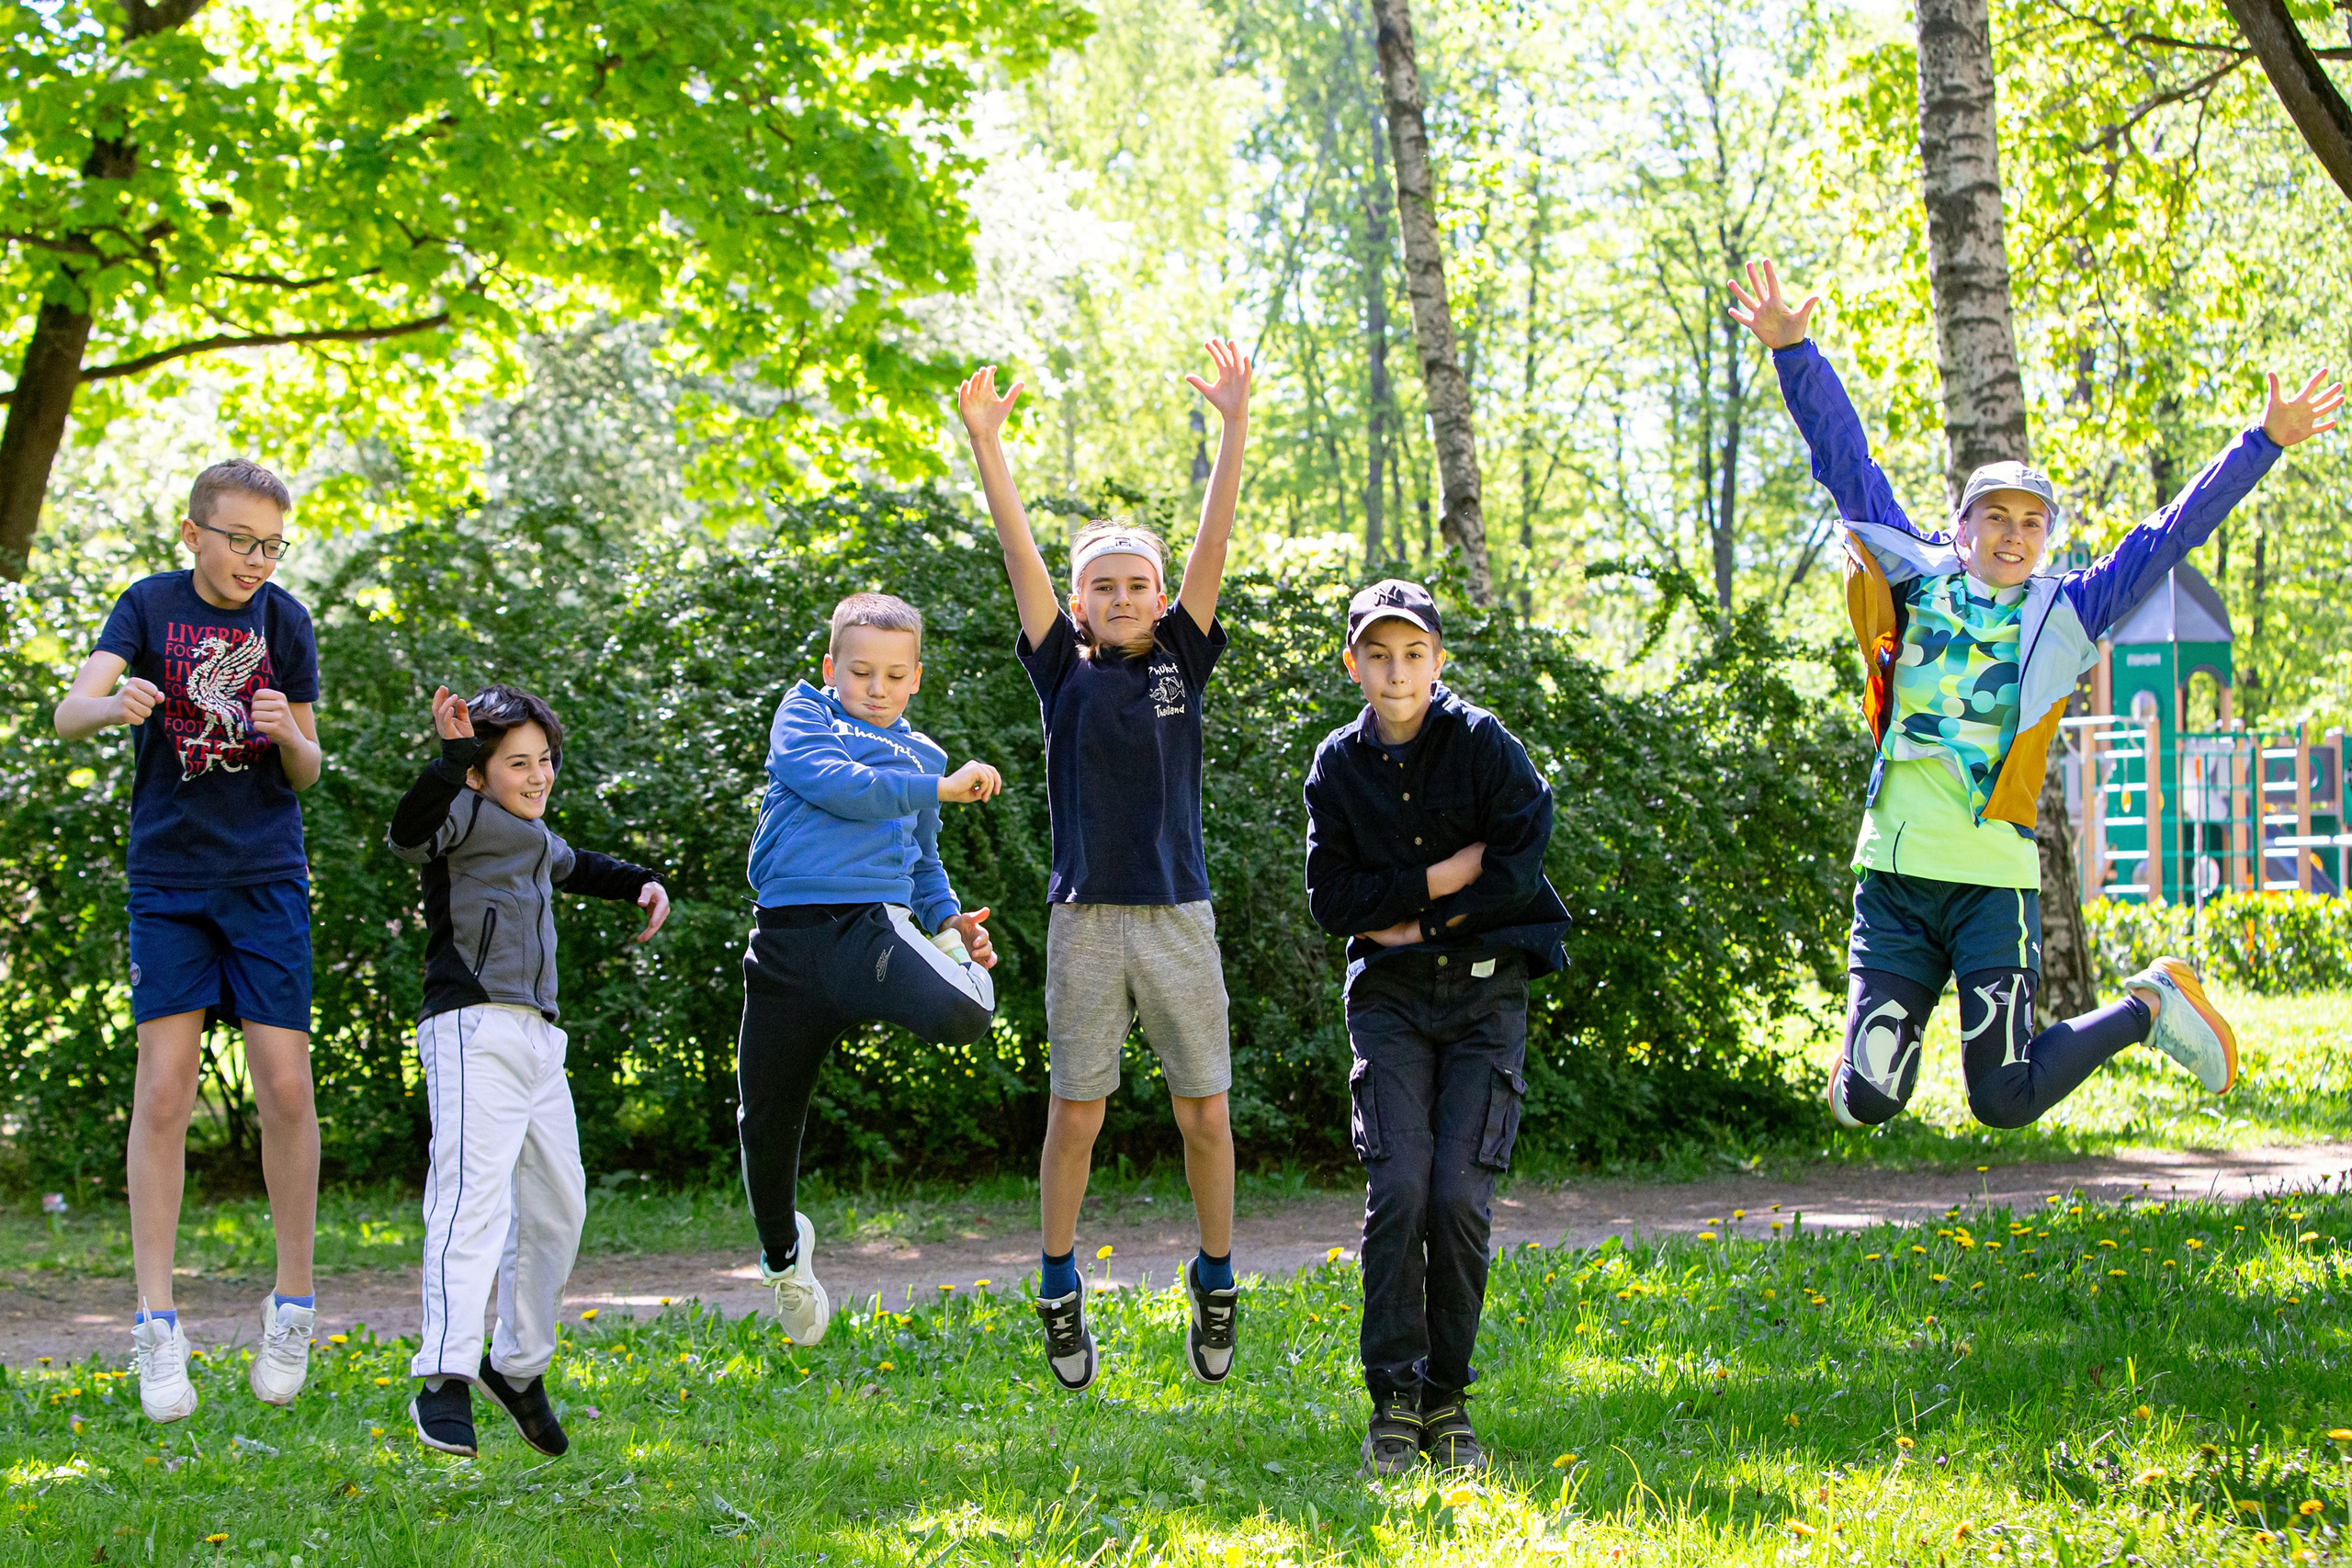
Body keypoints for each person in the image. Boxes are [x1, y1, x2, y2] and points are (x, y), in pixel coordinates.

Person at [1727, 258, 2344, 1132]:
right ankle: (1871, 1060)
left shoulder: (2067, 615)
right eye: (1996, 518)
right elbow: (1844, 459)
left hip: (1991, 883)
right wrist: (1795, 351)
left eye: (2032, 522)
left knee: (2004, 1097)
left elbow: (2166, 539)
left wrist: (2263, 444)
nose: (2013, 536)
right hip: (1896, 878)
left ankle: (2149, 1005)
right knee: (1866, 1101)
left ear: (2045, 536)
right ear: (1964, 525)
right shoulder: (1912, 572)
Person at [956, 340, 1253, 1393]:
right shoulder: (1059, 672)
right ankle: (1055, 1284)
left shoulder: (1183, 655)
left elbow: (1215, 539)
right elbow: (1018, 551)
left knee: (1202, 1112)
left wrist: (1231, 427)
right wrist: (989, 447)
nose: (1121, 597)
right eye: (1102, 587)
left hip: (1177, 917)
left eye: (1138, 584)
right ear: (1078, 606)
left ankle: (1216, 1281)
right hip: (1086, 922)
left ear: (1163, 598)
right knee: (1074, 1113)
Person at [52, 459, 324, 1426]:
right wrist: (112, 703)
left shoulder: (285, 620)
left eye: (271, 545)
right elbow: (69, 708)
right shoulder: (146, 606)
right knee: (163, 1091)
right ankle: (156, 1321)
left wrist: (283, 732)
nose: (256, 560)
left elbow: (308, 769)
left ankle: (291, 1302)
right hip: (168, 879)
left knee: (286, 1087)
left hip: (264, 877)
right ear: (192, 532)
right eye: (241, 540)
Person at [1303, 579, 1571, 1476]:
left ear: (1437, 660)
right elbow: (1332, 901)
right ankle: (1395, 1401)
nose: (1395, 670)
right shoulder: (1336, 767)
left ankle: (1447, 1399)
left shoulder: (1483, 745)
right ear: (1353, 664)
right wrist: (1436, 880)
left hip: (1486, 1000)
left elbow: (1517, 867)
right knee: (1401, 1189)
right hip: (1390, 1004)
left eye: (1412, 652)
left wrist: (1420, 919)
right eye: (1376, 653)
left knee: (1457, 1197)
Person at [387, 683, 669, 1458]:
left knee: (556, 1209)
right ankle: (443, 1375)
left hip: (540, 1038)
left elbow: (580, 865)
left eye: (544, 760)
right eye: (518, 763)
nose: (539, 775)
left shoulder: (534, 835)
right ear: (479, 771)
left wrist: (640, 880)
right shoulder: (460, 815)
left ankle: (514, 1366)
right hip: (472, 1026)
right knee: (470, 1202)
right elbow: (406, 834)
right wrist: (448, 761)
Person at [736, 592, 1002, 1347]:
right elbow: (833, 783)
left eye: (892, 675)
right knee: (764, 1120)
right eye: (859, 672)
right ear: (831, 669)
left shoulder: (925, 758)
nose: (875, 688)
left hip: (869, 932)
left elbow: (923, 862)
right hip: (785, 945)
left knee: (968, 1016)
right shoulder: (804, 717)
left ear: (915, 678)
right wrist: (938, 789)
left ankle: (951, 964)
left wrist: (950, 921)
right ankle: (786, 1257)